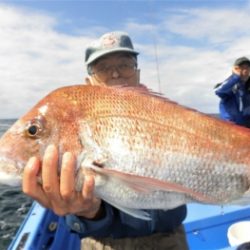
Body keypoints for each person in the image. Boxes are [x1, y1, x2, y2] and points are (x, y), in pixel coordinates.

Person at [22, 31, 189, 250]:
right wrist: (86, 213)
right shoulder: (71, 130)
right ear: (88, 82)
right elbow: (72, 214)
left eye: (125, 65)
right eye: (102, 68)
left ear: (137, 74)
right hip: (105, 243)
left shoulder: (168, 119)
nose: (116, 74)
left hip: (170, 237)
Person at [214, 57, 250, 127]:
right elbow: (218, 91)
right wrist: (235, 76)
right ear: (235, 69)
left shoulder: (248, 87)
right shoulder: (230, 85)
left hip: (246, 128)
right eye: (242, 68)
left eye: (247, 68)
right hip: (231, 127)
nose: (245, 70)